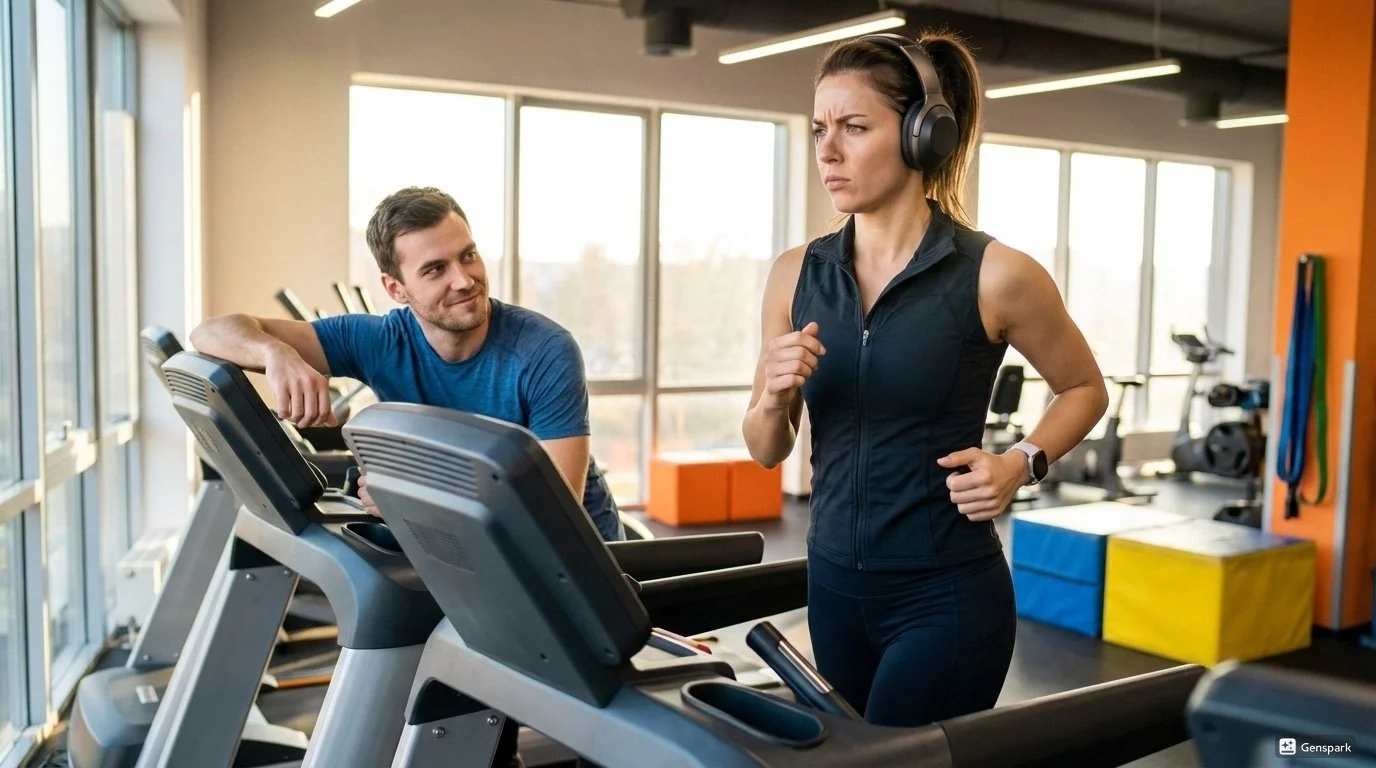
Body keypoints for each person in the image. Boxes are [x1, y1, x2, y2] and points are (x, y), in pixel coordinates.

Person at [741, 30, 1108, 728]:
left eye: (854, 127)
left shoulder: (997, 274)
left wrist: (1019, 463)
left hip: (945, 596)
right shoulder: (796, 273)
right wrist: (774, 393)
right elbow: (765, 448)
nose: (828, 149)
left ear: (921, 136)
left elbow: (1085, 387)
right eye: (820, 128)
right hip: (834, 590)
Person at [190, 185, 625, 544]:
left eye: (468, 255)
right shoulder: (379, 339)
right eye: (436, 269)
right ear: (396, 288)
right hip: (477, 545)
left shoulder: (545, 351)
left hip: (575, 557)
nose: (464, 279)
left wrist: (415, 494)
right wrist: (276, 352)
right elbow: (210, 332)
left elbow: (558, 505)